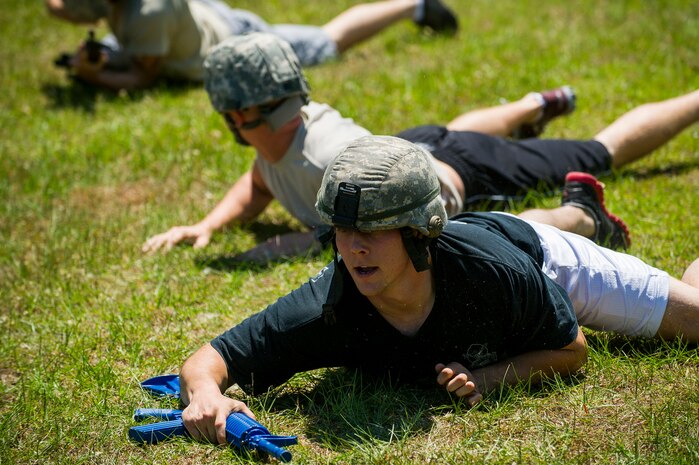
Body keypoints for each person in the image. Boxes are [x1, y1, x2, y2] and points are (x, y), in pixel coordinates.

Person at [177, 135, 699, 445]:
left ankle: (578, 223)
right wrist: (204, 395)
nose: (354, 248)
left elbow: (572, 349)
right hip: (490, 238)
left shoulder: (493, 275)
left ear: (418, 235)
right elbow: (211, 358)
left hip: (542, 259)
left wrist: (495, 376)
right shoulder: (327, 307)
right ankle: (581, 212)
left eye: (375, 231)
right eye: (343, 229)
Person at [142, 33, 699, 259]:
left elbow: (362, 226)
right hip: (414, 145)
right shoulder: (280, 139)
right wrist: (212, 224)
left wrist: (267, 251)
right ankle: (533, 106)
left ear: (238, 114)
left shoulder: (331, 161)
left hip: (458, 171)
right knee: (452, 128)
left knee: (599, 153)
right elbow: (261, 179)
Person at [45, 0, 458, 90]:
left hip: (237, 42)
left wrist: (92, 77)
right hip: (203, 15)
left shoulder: (147, 14)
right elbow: (59, 7)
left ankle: (414, 7)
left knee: (327, 42)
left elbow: (143, 75)